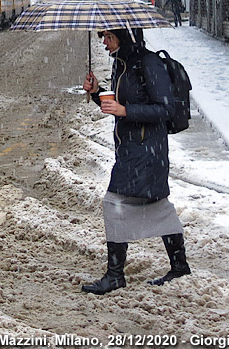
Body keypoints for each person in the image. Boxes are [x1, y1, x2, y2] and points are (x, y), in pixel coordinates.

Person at [81, 28, 191, 294]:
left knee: (114, 203)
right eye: (102, 37)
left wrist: (126, 110)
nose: (104, 42)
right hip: (132, 149)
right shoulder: (123, 63)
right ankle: (179, 267)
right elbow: (119, 102)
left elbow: (165, 108)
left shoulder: (148, 63)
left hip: (146, 150)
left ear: (124, 35)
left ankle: (115, 275)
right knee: (159, 207)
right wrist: (98, 93)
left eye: (108, 36)